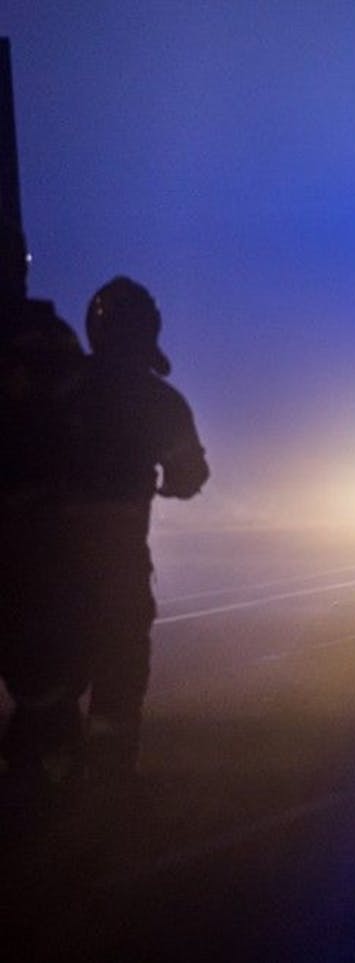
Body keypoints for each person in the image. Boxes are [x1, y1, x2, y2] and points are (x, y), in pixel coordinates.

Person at [60, 277, 210, 780]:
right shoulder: (160, 401)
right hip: (118, 559)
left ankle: (42, 774)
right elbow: (190, 475)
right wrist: (168, 484)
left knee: (48, 676)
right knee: (119, 669)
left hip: (46, 559)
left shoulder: (63, 387)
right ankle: (107, 782)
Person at [0, 224, 89, 785]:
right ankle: (51, 739)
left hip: (38, 521)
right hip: (47, 522)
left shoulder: (45, 341)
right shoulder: (51, 338)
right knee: (49, 641)